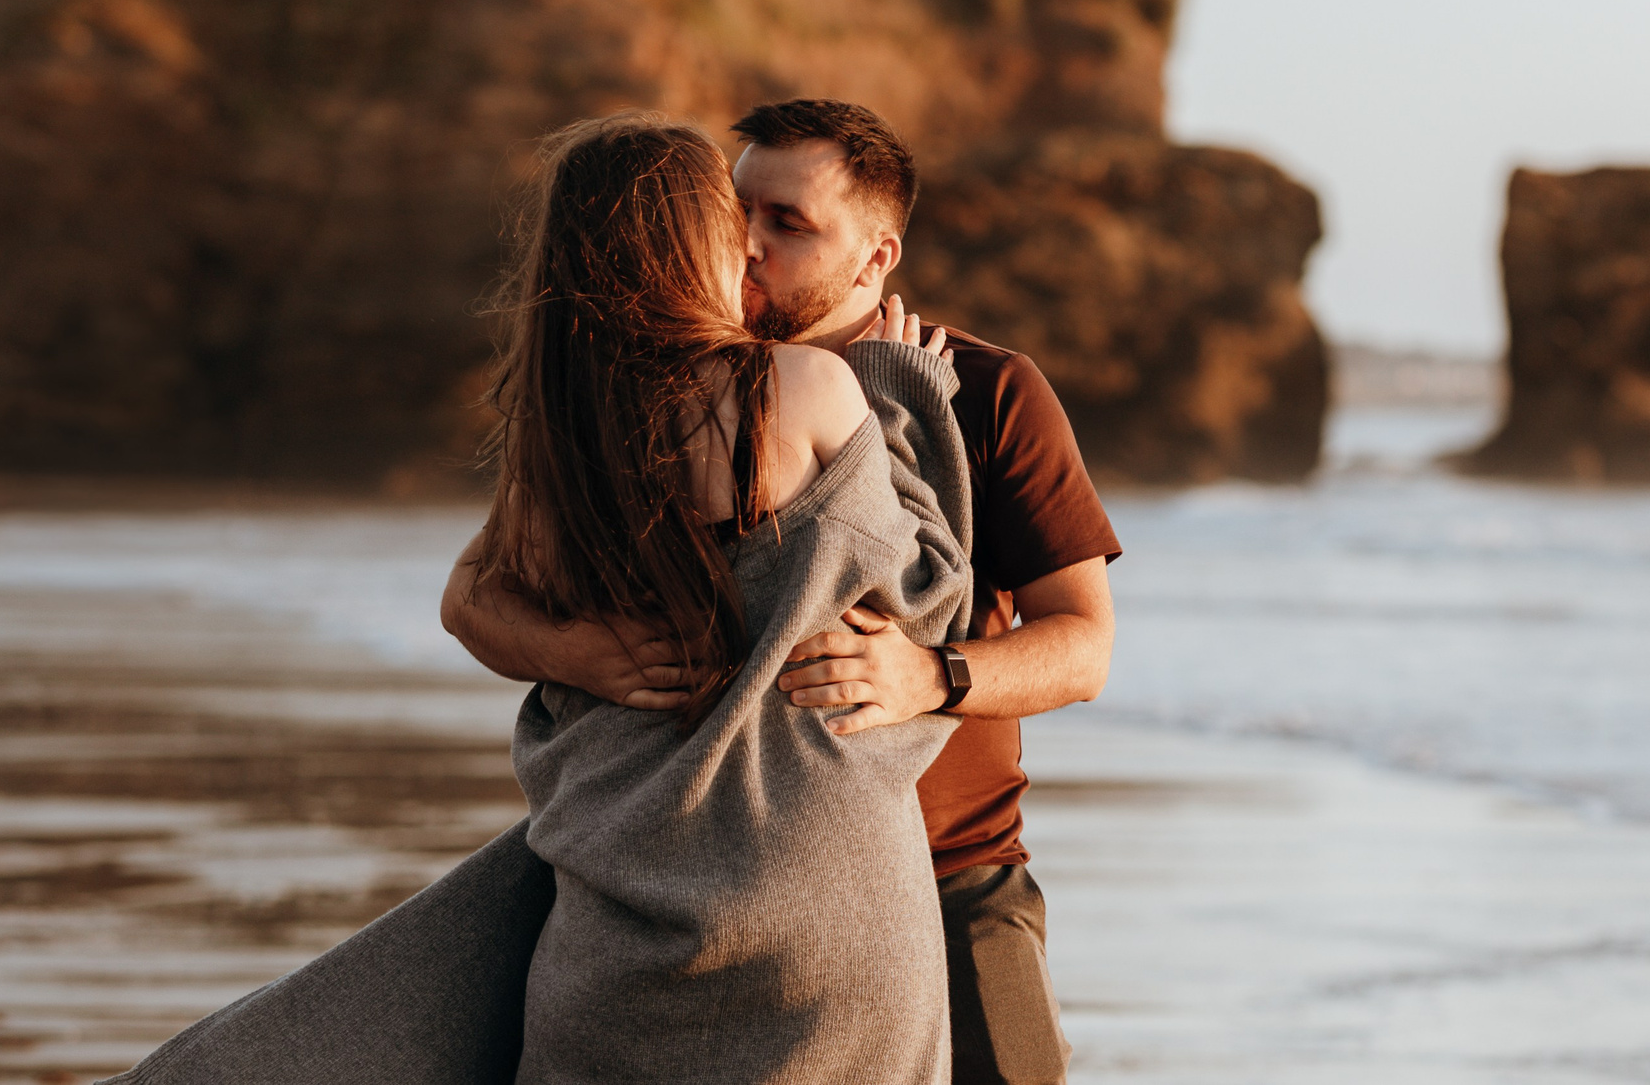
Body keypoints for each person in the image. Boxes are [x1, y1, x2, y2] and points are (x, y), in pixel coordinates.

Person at [108, 114, 976, 1085]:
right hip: (815, 902)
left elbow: (468, 598)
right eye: (730, 216)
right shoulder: (811, 388)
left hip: (616, 910)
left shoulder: (563, 447)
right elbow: (931, 597)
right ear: (693, 242)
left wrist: (577, 655)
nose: (752, 239)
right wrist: (906, 395)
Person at [448, 99, 1122, 1085]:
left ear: (875, 258)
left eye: (789, 224)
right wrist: (572, 652)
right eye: (739, 213)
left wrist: (930, 675)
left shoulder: (987, 392)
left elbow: (1085, 646)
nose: (751, 245)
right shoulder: (643, 386)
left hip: (951, 877)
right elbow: (474, 592)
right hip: (688, 894)